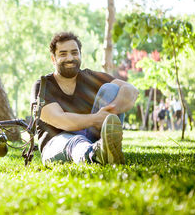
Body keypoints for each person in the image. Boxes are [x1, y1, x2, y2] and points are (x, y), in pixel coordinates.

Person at [31, 32, 139, 165]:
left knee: (112, 89)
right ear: (53, 59)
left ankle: (106, 148)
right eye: (63, 54)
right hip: (57, 142)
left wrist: (111, 111)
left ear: (80, 55)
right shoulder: (42, 85)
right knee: (75, 142)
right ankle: (94, 155)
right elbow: (60, 120)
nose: (70, 58)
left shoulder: (89, 77)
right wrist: (96, 119)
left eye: (74, 53)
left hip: (93, 137)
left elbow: (131, 90)